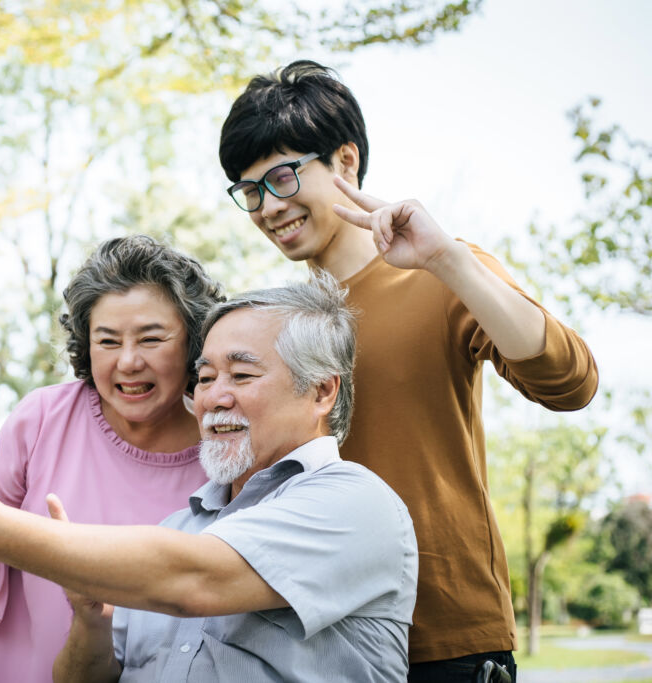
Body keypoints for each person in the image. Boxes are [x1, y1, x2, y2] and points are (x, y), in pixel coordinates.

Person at [217, 60, 599, 681]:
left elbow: (570, 383)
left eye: (283, 178)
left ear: (345, 161)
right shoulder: (276, 327)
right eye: (250, 191)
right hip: (320, 639)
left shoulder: (440, 272)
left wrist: (448, 260)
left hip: (445, 636)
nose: (268, 207)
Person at [0, 276, 419, 683]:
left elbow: (192, 581)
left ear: (322, 392)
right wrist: (89, 622)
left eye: (241, 375)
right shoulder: (180, 526)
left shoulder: (357, 503)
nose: (215, 396)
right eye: (208, 376)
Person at [0, 235, 223, 682]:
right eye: (107, 341)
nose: (127, 361)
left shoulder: (224, 455)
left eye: (151, 339)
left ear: (193, 343)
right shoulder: (43, 418)